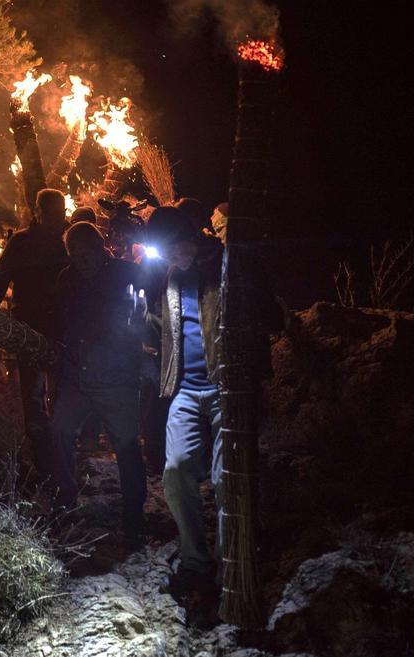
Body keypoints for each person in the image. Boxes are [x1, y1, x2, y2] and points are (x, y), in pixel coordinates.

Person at [144, 205, 281, 601]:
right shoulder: (171, 277)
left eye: (173, 248)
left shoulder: (229, 266)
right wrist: (142, 318)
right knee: (176, 469)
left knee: (227, 478)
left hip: (227, 388)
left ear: (190, 236)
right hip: (185, 389)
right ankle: (195, 560)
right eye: (164, 253)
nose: (170, 258)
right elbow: (164, 331)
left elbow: (269, 316)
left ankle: (230, 560)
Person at [48, 222, 148, 541]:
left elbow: (142, 316)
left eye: (87, 252)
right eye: (75, 255)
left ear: (100, 247)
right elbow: (61, 322)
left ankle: (133, 515)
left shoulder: (125, 274)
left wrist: (133, 356)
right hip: (78, 375)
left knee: (127, 445)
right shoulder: (66, 279)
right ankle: (65, 501)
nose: (82, 260)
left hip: (116, 378)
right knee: (60, 430)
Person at [0, 188, 70, 486]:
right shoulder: (22, 241)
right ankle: (46, 463)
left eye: (60, 214)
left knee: (60, 396)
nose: (57, 220)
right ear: (39, 212)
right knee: (33, 398)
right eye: (53, 214)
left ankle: (61, 458)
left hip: (61, 330)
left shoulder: (66, 241)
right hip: (28, 331)